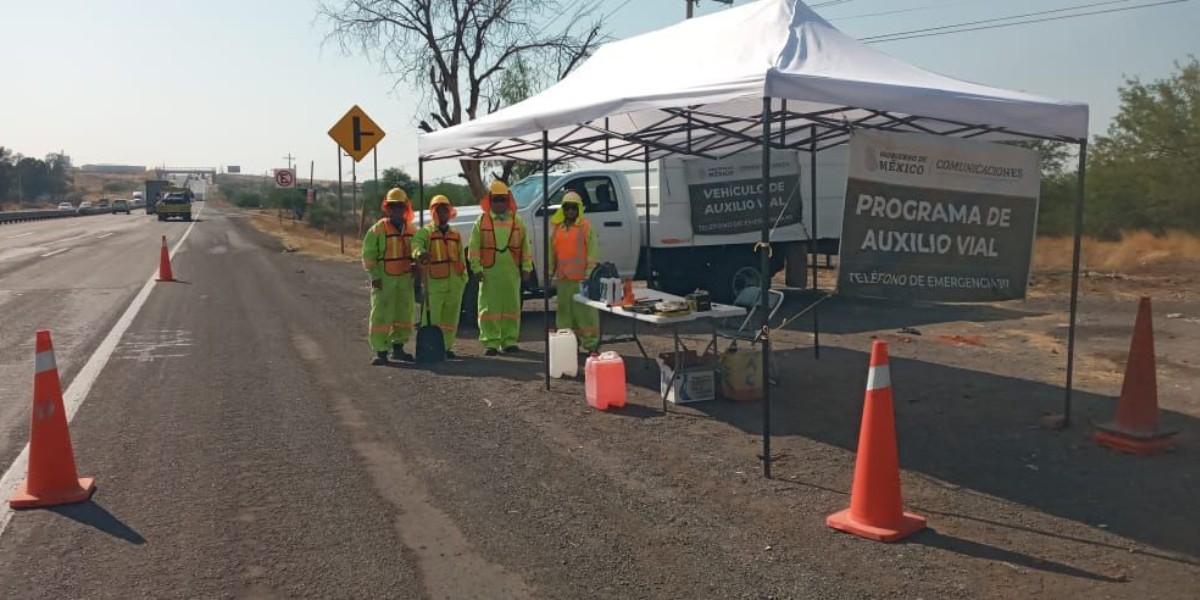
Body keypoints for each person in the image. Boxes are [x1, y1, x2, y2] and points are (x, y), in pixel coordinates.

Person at [467, 181, 533, 356]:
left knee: (512, 307)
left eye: (502, 199)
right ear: (490, 200)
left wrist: (526, 268)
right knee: (489, 308)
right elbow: (474, 247)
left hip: (512, 271)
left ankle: (509, 341)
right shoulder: (481, 221)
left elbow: (525, 247)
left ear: (508, 200)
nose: (499, 203)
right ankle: (491, 342)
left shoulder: (517, 221)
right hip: (489, 271)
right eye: (495, 199)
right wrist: (476, 268)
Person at [362, 188, 418, 365]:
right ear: (387, 208)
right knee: (381, 315)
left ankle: (398, 348)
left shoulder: (412, 230)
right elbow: (368, 255)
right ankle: (381, 352)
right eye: (393, 206)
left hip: (405, 279)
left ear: (405, 208)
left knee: (404, 314)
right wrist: (374, 276)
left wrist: (418, 263)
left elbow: (417, 249)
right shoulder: (378, 229)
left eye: (400, 206)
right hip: (384, 280)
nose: (397, 210)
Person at [413, 195, 467, 359]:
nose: (442, 213)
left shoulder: (455, 234)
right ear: (433, 212)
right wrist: (420, 253)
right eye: (439, 210)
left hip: (454, 282)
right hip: (434, 282)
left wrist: (463, 277)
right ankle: (429, 349)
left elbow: (461, 256)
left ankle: (446, 348)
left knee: (451, 319)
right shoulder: (425, 232)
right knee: (431, 318)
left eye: (445, 210)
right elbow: (415, 245)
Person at [549, 191, 601, 352]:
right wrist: (550, 271)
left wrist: (590, 274)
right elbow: (552, 253)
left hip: (582, 279)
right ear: (563, 209)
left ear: (579, 209)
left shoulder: (586, 227)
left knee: (586, 313)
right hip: (564, 279)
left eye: (573, 208)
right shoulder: (557, 228)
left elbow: (593, 251)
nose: (570, 211)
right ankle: (568, 345)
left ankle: (591, 345)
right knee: (565, 313)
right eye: (567, 208)